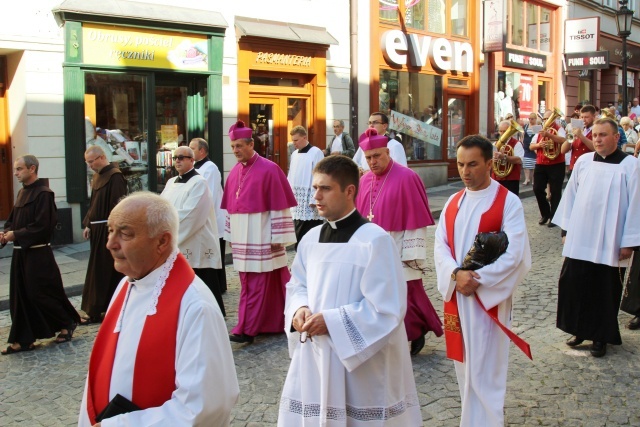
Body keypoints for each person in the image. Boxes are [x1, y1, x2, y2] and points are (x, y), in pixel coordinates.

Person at [278, 155, 422, 426]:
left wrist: (331, 322)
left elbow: (387, 308)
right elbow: (298, 284)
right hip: (316, 354)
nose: (316, 197)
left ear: (349, 191)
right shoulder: (310, 239)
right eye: (314, 188)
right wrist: (299, 309)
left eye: (325, 188)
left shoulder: (375, 241)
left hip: (360, 365)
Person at [77, 192, 238, 426]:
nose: (110, 243)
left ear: (162, 241)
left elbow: (204, 406)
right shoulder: (126, 285)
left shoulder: (195, 306)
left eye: (125, 233)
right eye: (111, 230)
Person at [434, 135, 531, 426]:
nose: (465, 171)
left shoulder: (508, 203)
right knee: (463, 367)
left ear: (490, 164)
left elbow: (515, 254)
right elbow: (440, 246)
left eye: (473, 164)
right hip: (457, 296)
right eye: (461, 164)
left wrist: (478, 279)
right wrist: (455, 274)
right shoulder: (453, 201)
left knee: (487, 370)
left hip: (488, 300)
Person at [553, 117, 640, 358]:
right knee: (574, 284)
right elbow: (570, 195)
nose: (598, 139)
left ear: (615, 137)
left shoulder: (630, 165)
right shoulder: (583, 161)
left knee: (604, 289)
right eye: (596, 135)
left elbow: (636, 205)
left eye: (603, 135)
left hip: (609, 241)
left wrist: (629, 242)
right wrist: (566, 230)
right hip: (581, 237)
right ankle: (578, 329)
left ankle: (601, 336)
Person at [354, 128, 442, 356]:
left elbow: (415, 220)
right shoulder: (364, 181)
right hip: (373, 248)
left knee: (408, 292)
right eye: (368, 158)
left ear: (387, 152)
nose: (372, 162)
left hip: (398, 244)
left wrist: (412, 255)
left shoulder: (407, 177)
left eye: (377, 156)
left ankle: (415, 331)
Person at [221, 120, 297, 344]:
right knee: (273, 281)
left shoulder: (269, 169)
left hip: (262, 237)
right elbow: (230, 208)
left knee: (256, 283)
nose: (235, 150)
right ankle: (282, 320)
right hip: (243, 238)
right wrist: (231, 237)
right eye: (233, 146)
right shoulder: (234, 171)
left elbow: (279, 205)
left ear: (251, 143)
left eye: (239, 146)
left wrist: (279, 237)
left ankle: (247, 328)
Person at [1, 155, 80, 355]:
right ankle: (24, 339)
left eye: (19, 169)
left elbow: (43, 226)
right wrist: (6, 233)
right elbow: (12, 220)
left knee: (40, 292)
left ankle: (66, 322)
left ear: (32, 169)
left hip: (38, 253)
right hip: (21, 254)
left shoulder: (44, 194)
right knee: (21, 296)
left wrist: (16, 234)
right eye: (16, 169)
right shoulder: (21, 193)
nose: (15, 172)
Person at [160, 146, 225, 316]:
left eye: (182, 157)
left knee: (201, 284)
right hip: (175, 238)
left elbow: (192, 214)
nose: (178, 161)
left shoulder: (199, 182)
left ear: (192, 160)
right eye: (175, 158)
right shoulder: (171, 182)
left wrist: (170, 235)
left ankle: (211, 315)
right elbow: (161, 207)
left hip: (196, 241)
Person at [80, 146, 128, 325]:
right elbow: (93, 204)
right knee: (96, 270)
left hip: (108, 229)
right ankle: (95, 308)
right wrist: (88, 223)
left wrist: (113, 229)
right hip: (97, 229)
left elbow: (118, 204)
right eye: (87, 162)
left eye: (91, 161)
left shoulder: (115, 176)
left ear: (101, 157)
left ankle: (105, 308)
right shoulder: (96, 176)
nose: (90, 165)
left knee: (105, 270)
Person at [189, 137, 228, 294]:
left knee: (215, 252)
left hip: (213, 217)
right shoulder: (195, 167)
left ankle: (219, 285)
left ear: (202, 151)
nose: (189, 150)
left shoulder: (210, 167)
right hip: (203, 216)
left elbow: (208, 194)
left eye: (192, 148)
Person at [287, 125, 325, 248]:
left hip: (310, 202)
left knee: (309, 236)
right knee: (297, 236)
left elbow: (320, 175)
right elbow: (291, 175)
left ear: (304, 137)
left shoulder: (316, 152)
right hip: (296, 201)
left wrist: (315, 198)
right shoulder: (294, 154)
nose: (294, 143)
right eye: (292, 140)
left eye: (296, 140)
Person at [529, 108, 567, 228]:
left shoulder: (559, 129)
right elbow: (531, 146)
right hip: (541, 163)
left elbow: (563, 140)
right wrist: (539, 145)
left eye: (548, 118)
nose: (546, 120)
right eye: (544, 118)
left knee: (556, 192)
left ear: (555, 118)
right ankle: (545, 214)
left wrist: (549, 135)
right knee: (537, 188)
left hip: (556, 163)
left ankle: (555, 217)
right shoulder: (539, 130)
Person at [561, 104, 595, 180]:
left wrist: (581, 136)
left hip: (588, 169)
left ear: (593, 117)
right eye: (581, 117)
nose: (583, 120)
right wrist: (571, 136)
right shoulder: (578, 130)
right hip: (574, 168)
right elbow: (563, 150)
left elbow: (595, 148)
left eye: (586, 117)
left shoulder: (596, 130)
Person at [491, 120, 524, 195]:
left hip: (511, 179)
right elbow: (489, 160)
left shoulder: (516, 143)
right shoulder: (495, 144)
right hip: (497, 178)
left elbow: (519, 160)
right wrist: (494, 159)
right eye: (500, 131)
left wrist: (504, 157)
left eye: (504, 131)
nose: (502, 134)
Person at [521, 113, 538, 185]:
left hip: (534, 146)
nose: (530, 120)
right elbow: (522, 135)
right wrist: (522, 141)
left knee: (534, 164)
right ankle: (527, 179)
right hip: (526, 146)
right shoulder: (526, 126)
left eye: (532, 119)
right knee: (526, 163)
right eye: (529, 119)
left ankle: (534, 180)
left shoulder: (537, 127)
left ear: (535, 119)